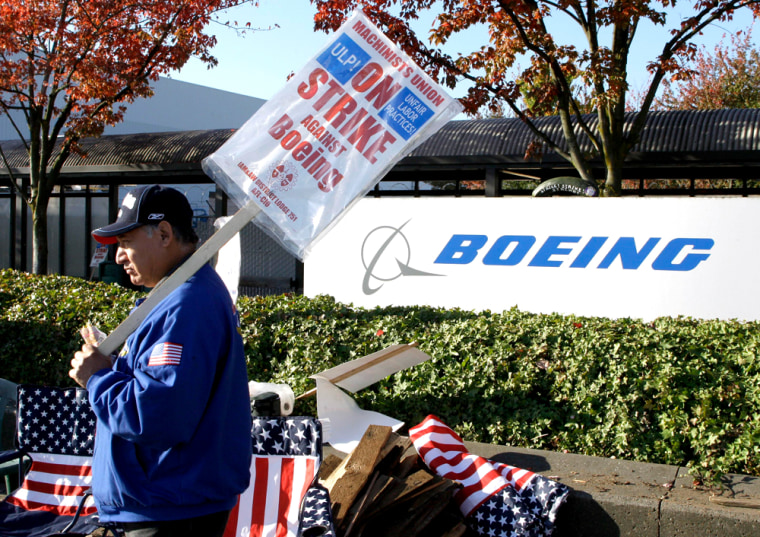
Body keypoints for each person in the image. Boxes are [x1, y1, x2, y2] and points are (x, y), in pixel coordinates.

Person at [69, 184, 252, 537]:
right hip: (166, 503)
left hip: (168, 510)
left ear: (165, 233)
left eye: (125, 242)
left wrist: (97, 378)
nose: (118, 257)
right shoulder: (179, 297)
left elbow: (156, 416)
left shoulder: (186, 304)